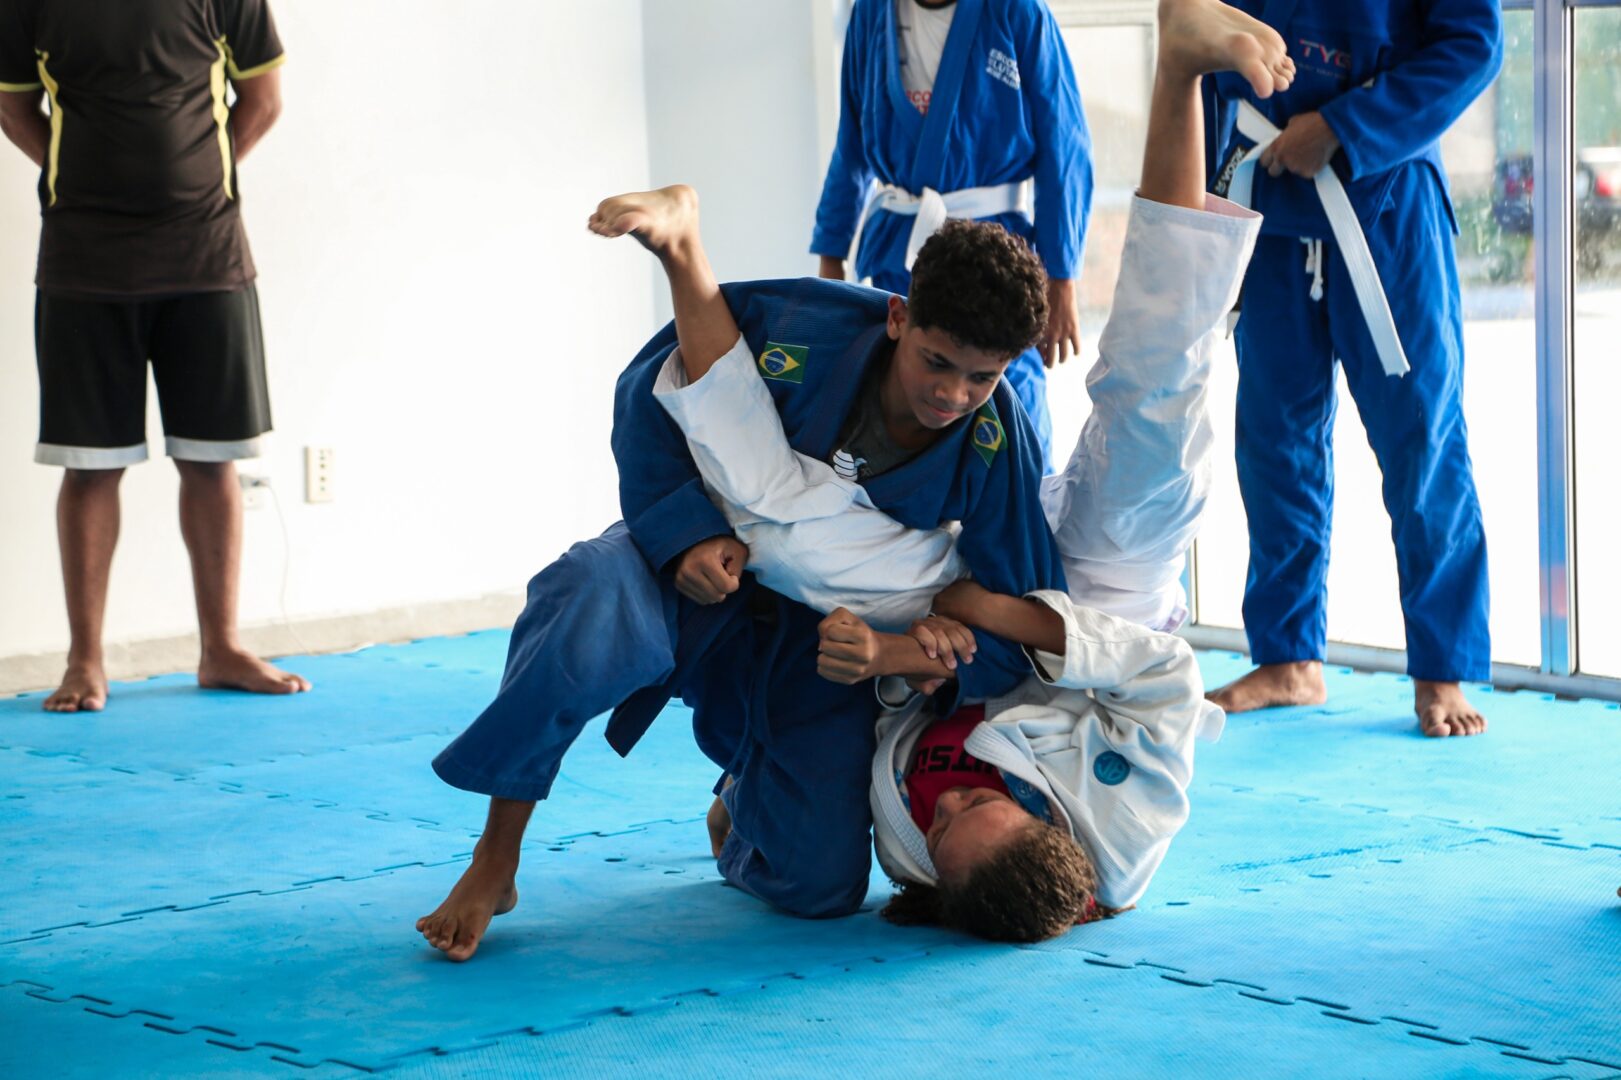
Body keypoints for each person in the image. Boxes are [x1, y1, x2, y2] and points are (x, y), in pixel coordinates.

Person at [654, 0, 1289, 942]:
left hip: (945, 594)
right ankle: (1180, 71)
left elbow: (879, 719)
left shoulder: (912, 853)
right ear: (1064, 847)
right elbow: (1162, 677)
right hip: (1096, 615)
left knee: (790, 528)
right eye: (980, 806)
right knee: (1158, 403)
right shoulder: (1125, 830)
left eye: (941, 828)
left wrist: (781, 764)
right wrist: (993, 611)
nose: (945, 802)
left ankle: (684, 271)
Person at [416, 190, 1064, 961]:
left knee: (818, 886)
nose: (952, 395)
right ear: (898, 318)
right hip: (701, 566)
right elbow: (652, 387)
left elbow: (1023, 617)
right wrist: (685, 535)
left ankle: (740, 793)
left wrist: (918, 651)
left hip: (826, 638)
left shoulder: (996, 442)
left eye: (981, 377)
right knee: (589, 596)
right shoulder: (804, 326)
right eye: (937, 362)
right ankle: (497, 855)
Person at [1200, 0, 1502, 738]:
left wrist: (1346, 125)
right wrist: (1207, 191)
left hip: (1386, 199)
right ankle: (1288, 657)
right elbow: (1201, 39)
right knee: (1273, 441)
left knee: (1421, 438)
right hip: (1266, 193)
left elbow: (1472, 43)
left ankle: (1441, 666)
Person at [0, 0, 307, 712]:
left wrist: (200, 178)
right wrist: (77, 177)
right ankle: (84, 661)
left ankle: (221, 648)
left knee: (212, 458)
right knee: (89, 464)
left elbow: (262, 98)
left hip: (207, 254)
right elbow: (14, 105)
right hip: (83, 260)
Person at [811, 0, 1093, 470]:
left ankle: (1024, 505)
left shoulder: (1018, 12)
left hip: (995, 255)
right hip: (900, 252)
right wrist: (830, 257)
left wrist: (1062, 280)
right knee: (906, 400)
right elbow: (852, 144)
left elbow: (1063, 145)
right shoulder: (871, 12)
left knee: (1012, 407)